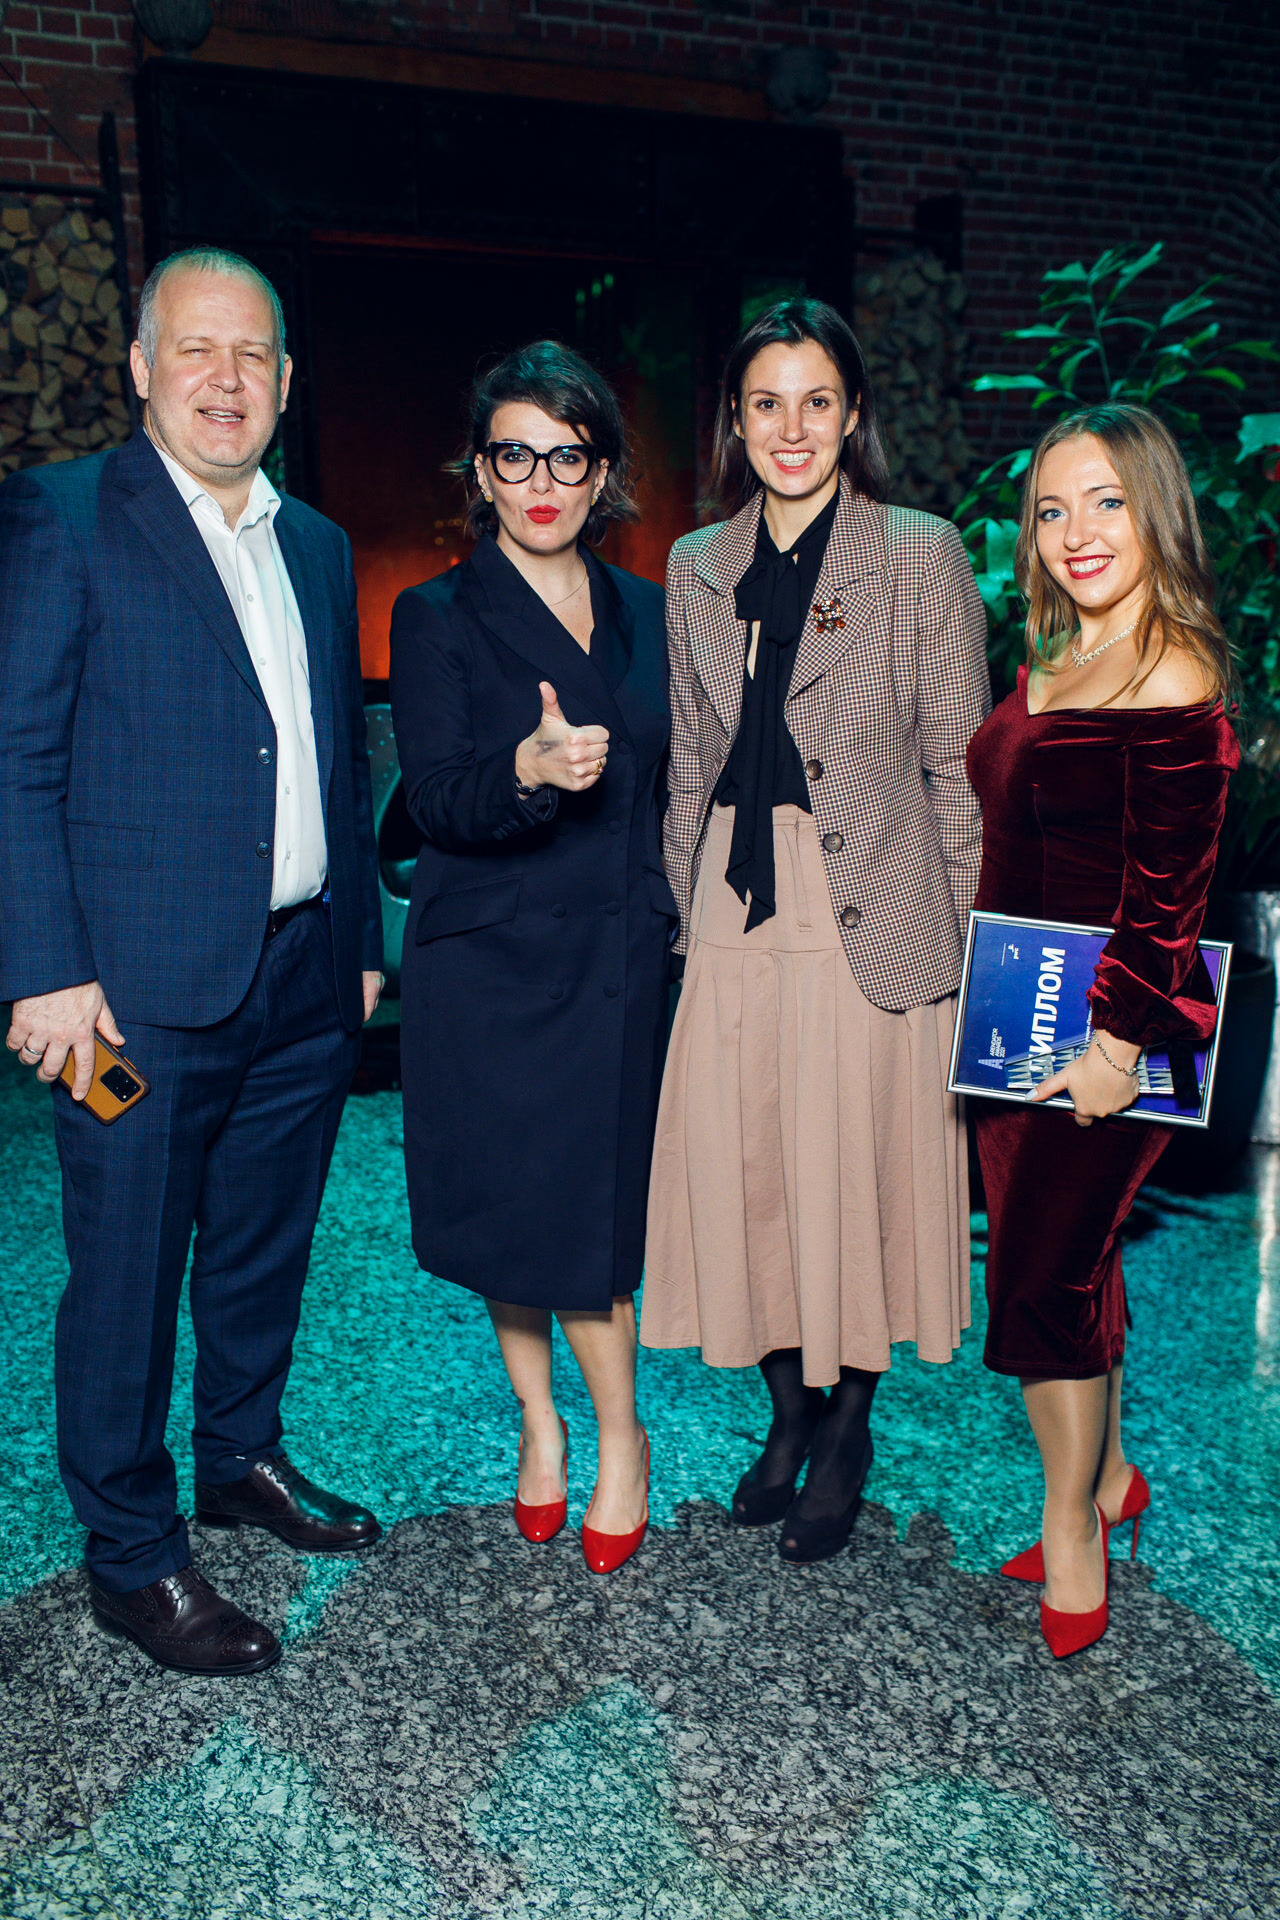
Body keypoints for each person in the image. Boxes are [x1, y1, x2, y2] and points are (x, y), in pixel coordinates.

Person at [0, 249, 385, 1677]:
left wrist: (354, 946)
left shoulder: (319, 545)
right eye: (197, 350)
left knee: (265, 1247)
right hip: (128, 1003)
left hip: (298, 981)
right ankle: (131, 1554)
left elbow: (333, 759)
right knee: (124, 1273)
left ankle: (240, 1457)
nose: (227, 379)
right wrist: (43, 972)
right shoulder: (63, 517)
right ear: (142, 368)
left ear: (285, 380)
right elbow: (15, 756)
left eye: (254, 355)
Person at [641, 299, 990, 1562]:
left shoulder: (916, 554)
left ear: (851, 416)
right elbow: (691, 762)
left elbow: (958, 773)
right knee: (749, 1173)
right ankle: (784, 1413)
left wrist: (966, 956)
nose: (790, 429)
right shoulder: (693, 565)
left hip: (873, 909)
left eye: (816, 402)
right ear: (734, 423)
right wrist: (686, 925)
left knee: (856, 1178)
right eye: (765, 403)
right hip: (734, 907)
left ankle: (847, 1430)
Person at [389, 341, 671, 1575]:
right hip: (489, 970)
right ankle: (541, 1425)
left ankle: (622, 1439)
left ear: (600, 471)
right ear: (481, 472)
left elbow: (682, 785)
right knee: (510, 1217)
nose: (541, 482)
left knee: (592, 1220)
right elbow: (433, 797)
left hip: (619, 962)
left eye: (566, 456)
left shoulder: (652, 611)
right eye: (515, 455)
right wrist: (524, 767)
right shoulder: (435, 614)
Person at [966, 404, 1238, 1658]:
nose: (1075, 532)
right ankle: (1112, 1475)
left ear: (1154, 512)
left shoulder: (1170, 672)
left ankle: (1069, 1525)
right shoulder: (1061, 652)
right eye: (1050, 509)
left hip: (1100, 1037)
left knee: (1039, 1282)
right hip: (1017, 1019)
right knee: (1079, 1266)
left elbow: (1168, 894)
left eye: (1105, 502)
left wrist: (1116, 1051)